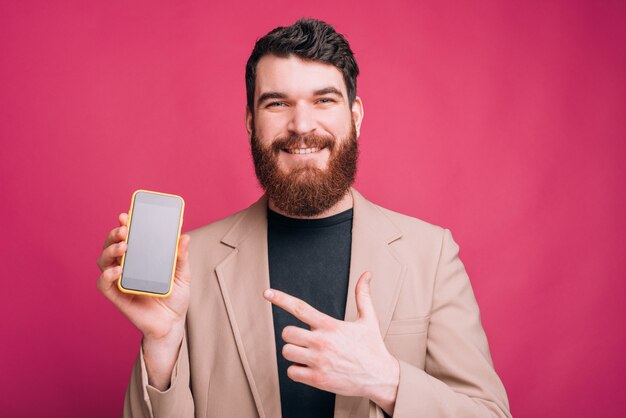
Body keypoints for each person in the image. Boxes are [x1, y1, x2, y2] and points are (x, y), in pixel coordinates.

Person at [97, 18, 511, 418]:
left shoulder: (432, 255)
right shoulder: (189, 262)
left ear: (355, 115)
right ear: (249, 122)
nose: (302, 125)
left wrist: (388, 381)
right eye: (277, 103)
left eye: (324, 100)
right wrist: (162, 343)